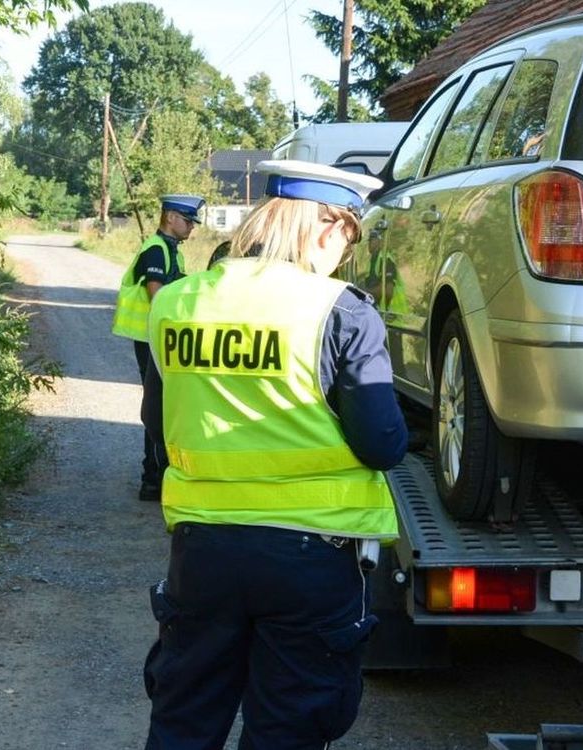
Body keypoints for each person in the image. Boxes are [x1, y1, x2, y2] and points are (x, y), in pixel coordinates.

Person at [141, 160, 408, 749]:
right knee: (289, 727)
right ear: (324, 226)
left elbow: (163, 425)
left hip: (202, 550)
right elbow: (380, 444)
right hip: (311, 556)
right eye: (350, 237)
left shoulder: (177, 304)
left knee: (184, 719)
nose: (346, 253)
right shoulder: (342, 310)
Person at [112, 194, 205, 503]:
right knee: (157, 408)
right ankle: (152, 478)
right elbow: (158, 296)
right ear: (169, 218)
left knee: (163, 406)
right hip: (150, 337)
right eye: (187, 220)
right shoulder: (156, 250)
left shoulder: (170, 251)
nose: (191, 227)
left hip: (158, 337)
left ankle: (157, 476)